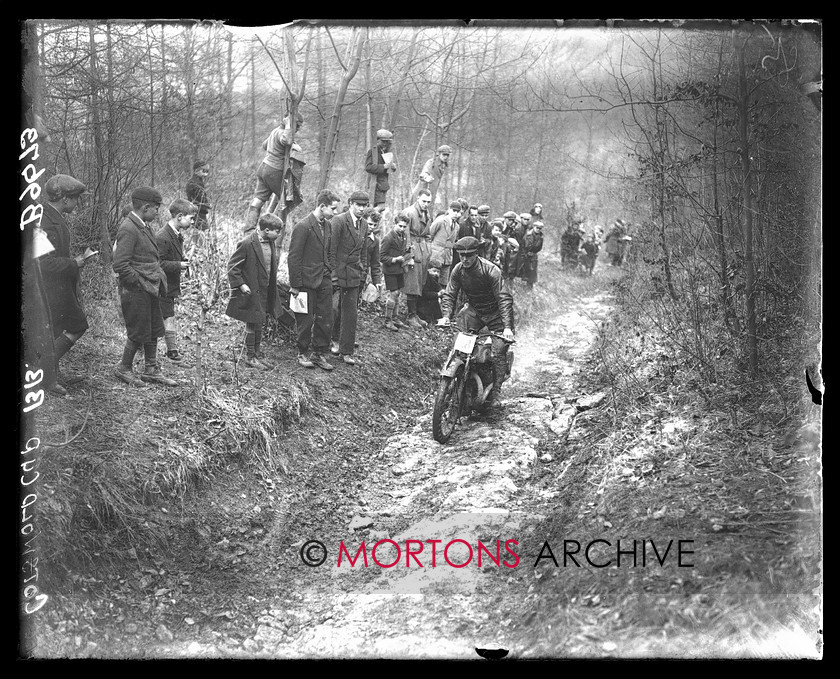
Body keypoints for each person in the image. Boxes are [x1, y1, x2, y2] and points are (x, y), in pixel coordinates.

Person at [112, 186, 178, 387]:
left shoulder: (144, 225)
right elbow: (120, 264)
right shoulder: (128, 228)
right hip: (137, 290)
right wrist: (139, 282)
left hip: (151, 286)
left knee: (154, 326)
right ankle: (123, 368)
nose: (158, 213)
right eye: (156, 209)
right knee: (138, 330)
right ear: (146, 207)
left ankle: (151, 369)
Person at [440, 236, 515, 405]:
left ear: (476, 253)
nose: (465, 259)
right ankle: (458, 382)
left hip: (495, 312)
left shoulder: (491, 270)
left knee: (498, 351)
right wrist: (446, 316)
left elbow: (504, 299)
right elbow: (450, 294)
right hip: (474, 310)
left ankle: (495, 390)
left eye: (469, 255)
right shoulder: (458, 270)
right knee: (461, 347)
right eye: (462, 255)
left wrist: (507, 327)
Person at [39, 174, 91, 392]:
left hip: (59, 287)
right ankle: (45, 373)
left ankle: (51, 375)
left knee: (55, 331)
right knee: (78, 325)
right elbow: (42, 264)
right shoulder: (43, 221)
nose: (77, 203)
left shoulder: (53, 217)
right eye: (76, 198)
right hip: (50, 289)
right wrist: (75, 263)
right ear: (65, 199)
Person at [288, 189, 340, 371]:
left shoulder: (328, 225)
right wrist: (295, 285)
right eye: (333, 209)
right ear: (322, 206)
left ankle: (319, 353)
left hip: (324, 278)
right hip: (306, 281)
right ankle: (302, 352)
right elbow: (294, 257)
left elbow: (330, 250)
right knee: (305, 318)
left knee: (326, 317)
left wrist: (329, 267)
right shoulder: (303, 226)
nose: (335, 213)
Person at [225, 213, 284, 369]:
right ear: (266, 230)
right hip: (251, 290)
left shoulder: (270, 242)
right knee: (252, 321)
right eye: (277, 231)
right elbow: (232, 268)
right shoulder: (247, 243)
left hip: (265, 290)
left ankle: (256, 354)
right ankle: (250, 356)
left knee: (260, 321)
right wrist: (241, 285)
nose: (279, 234)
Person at [328, 191, 370, 365]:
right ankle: (331, 341)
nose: (361, 209)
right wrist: (333, 275)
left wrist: (364, 274)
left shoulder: (365, 225)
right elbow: (331, 250)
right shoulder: (338, 221)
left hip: (354, 274)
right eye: (358, 205)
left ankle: (346, 350)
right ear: (351, 203)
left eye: (364, 205)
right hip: (338, 272)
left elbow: (364, 251)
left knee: (351, 312)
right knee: (333, 309)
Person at [245, 112, 305, 232]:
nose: (298, 129)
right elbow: (287, 140)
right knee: (288, 200)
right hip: (274, 171)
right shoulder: (283, 132)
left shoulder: (275, 131)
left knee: (258, 200)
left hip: (264, 168)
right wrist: (288, 126)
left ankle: (249, 229)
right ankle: (273, 229)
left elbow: (264, 145)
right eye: (297, 125)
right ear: (288, 121)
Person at [156, 198, 196, 364]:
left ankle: (171, 350)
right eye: (191, 218)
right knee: (166, 317)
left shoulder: (175, 234)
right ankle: (171, 351)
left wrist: (181, 260)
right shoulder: (163, 236)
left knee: (167, 316)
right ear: (180, 217)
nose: (193, 222)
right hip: (162, 285)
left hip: (169, 284)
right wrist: (178, 264)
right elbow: (158, 263)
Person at [403, 189, 433, 328]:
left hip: (423, 251)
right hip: (413, 250)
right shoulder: (409, 212)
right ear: (418, 199)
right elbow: (405, 234)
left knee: (420, 282)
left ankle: (415, 314)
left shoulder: (427, 214)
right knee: (412, 283)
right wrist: (409, 254)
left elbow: (428, 234)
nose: (426, 204)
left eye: (428, 202)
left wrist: (428, 249)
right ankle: (410, 315)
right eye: (424, 201)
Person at [379, 212, 412, 332]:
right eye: (400, 226)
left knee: (398, 293)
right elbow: (381, 257)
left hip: (399, 269)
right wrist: (395, 259)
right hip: (390, 270)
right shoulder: (388, 238)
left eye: (404, 226)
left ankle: (395, 317)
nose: (402, 229)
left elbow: (402, 249)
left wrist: (408, 252)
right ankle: (388, 320)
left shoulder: (403, 236)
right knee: (393, 294)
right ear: (395, 224)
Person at [428, 201, 462, 287]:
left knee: (444, 283)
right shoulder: (440, 221)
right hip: (435, 256)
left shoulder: (457, 227)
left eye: (458, 212)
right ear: (449, 210)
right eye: (454, 211)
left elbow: (452, 242)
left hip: (447, 258)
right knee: (431, 280)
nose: (455, 213)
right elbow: (429, 236)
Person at [359, 206, 384, 307]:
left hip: (362, 276)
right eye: (369, 224)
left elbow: (375, 263)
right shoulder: (356, 235)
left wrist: (377, 281)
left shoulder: (375, 241)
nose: (372, 227)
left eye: (374, 225)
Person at [364, 129, 396, 207]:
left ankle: (371, 216)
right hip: (375, 183)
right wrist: (383, 166)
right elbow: (368, 167)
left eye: (386, 141)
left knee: (378, 207)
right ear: (377, 140)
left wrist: (393, 167)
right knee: (380, 207)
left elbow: (388, 169)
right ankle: (369, 215)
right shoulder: (372, 151)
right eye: (383, 141)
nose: (385, 143)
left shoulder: (385, 152)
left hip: (382, 184)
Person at [185, 160, 211, 231]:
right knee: (201, 235)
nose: (205, 173)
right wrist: (207, 204)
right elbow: (201, 199)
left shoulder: (197, 181)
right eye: (204, 170)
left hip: (198, 212)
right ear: (197, 170)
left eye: (207, 170)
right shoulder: (194, 183)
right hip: (198, 214)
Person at [417, 259, 443, 326]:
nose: (436, 274)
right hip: (422, 302)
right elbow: (424, 293)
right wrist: (437, 294)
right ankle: (427, 320)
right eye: (434, 271)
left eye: (438, 272)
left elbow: (437, 286)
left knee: (435, 302)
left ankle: (436, 319)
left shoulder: (433, 278)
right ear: (428, 270)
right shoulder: (425, 279)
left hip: (430, 299)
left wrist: (441, 290)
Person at [521, 220, 544, 289]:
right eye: (537, 228)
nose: (538, 230)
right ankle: (522, 285)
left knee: (533, 271)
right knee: (525, 270)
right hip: (526, 254)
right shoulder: (528, 235)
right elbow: (523, 244)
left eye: (540, 228)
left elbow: (540, 247)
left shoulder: (541, 237)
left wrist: (534, 252)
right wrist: (526, 252)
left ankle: (530, 286)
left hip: (533, 255)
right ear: (534, 227)